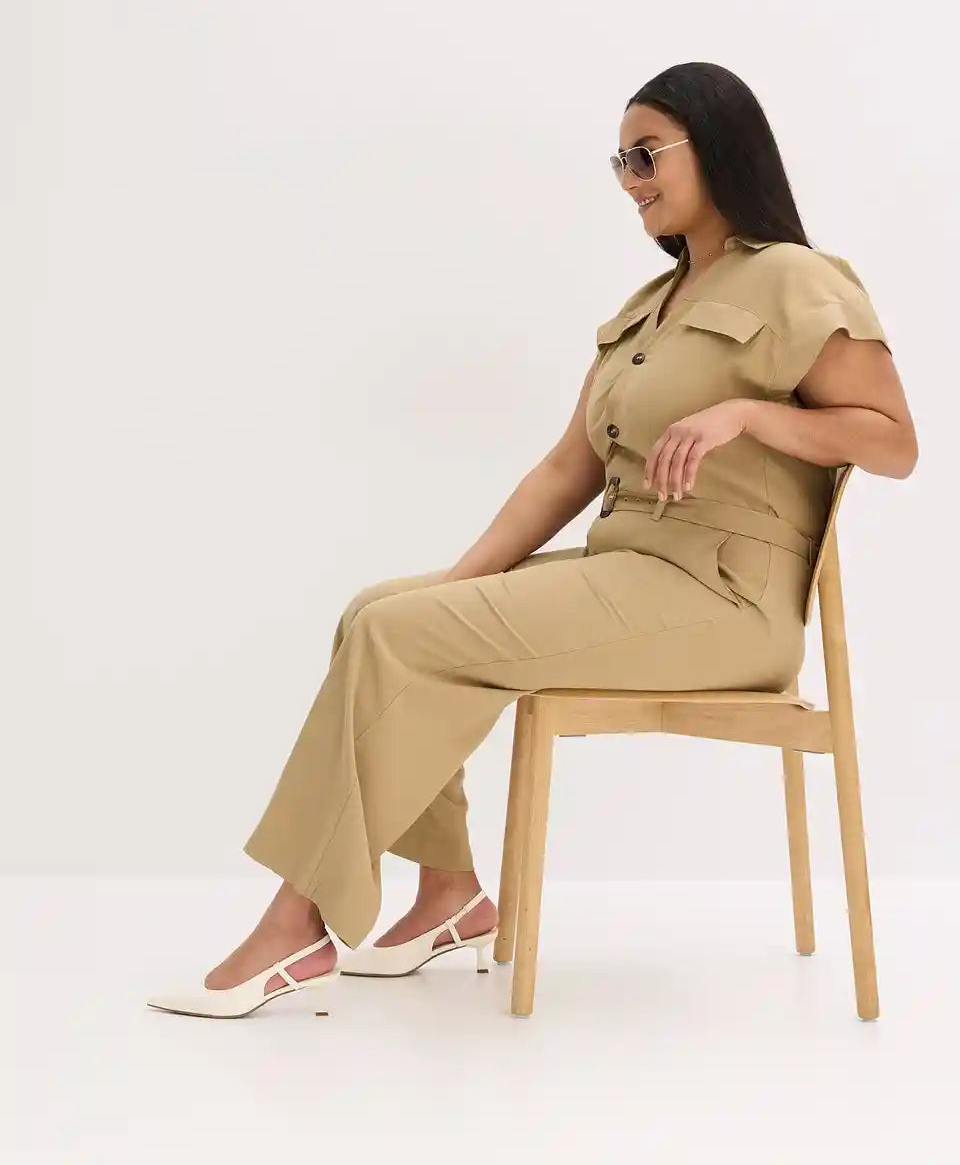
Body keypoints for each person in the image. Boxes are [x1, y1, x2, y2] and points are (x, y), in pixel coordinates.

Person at [147, 61, 918, 1018]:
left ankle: (295, 923)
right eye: (621, 162)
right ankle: (449, 894)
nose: (631, 180)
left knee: (399, 634)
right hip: (630, 574)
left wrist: (751, 416)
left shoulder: (797, 278)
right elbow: (564, 470)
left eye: (647, 155)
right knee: (382, 613)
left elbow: (895, 443)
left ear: (718, 146)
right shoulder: (652, 305)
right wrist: (457, 583)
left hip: (726, 600)